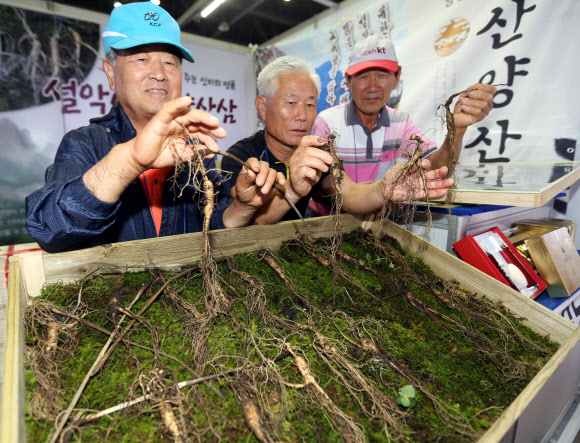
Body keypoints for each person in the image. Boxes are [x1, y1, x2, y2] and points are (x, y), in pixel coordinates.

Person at [25, 2, 280, 253]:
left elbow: (212, 229)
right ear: (111, 73)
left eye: (170, 62)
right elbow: (49, 230)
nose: (159, 73)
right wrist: (130, 161)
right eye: (142, 58)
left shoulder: (194, 146)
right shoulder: (83, 144)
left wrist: (243, 207)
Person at [221, 56, 454, 225]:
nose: (302, 115)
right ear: (263, 107)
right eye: (291, 103)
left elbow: (348, 193)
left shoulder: (318, 151)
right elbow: (255, 220)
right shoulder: (242, 156)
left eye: (310, 104)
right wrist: (292, 189)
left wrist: (382, 190)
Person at [310, 34, 496, 215]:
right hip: (327, 224)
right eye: (363, 77)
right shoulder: (327, 122)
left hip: (377, 224)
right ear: (348, 81)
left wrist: (456, 130)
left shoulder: (401, 123)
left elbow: (436, 169)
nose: (373, 86)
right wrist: (379, 191)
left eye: (382, 75)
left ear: (397, 78)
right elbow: (332, 186)